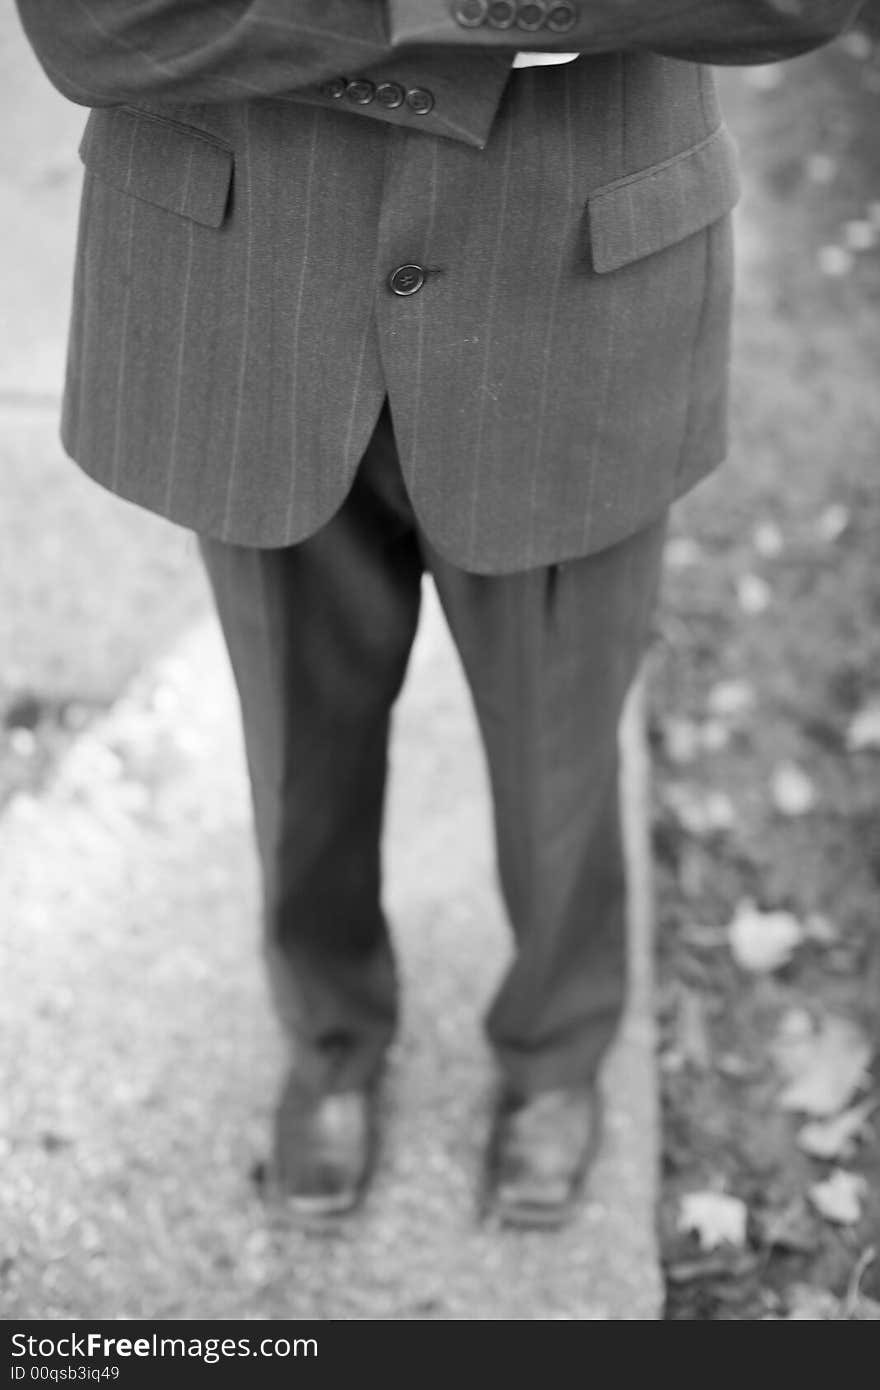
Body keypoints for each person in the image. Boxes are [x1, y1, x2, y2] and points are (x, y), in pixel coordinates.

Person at [15, 0, 863, 1230]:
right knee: (295, 738)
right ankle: (330, 1035)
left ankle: (557, 1049)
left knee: (561, 748)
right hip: (253, 270)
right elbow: (97, 24)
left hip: (574, 282)